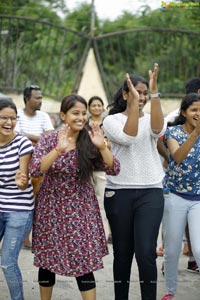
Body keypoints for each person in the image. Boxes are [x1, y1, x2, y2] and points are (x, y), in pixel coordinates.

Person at [29, 94, 120, 300]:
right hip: (51, 208)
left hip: (81, 209)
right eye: (75, 113)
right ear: (63, 115)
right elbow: (35, 170)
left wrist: (103, 147)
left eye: (83, 113)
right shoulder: (50, 140)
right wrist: (57, 150)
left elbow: (113, 169)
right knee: (47, 260)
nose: (80, 117)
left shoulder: (90, 140)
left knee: (83, 261)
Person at [103, 63, 167, 300]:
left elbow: (158, 129)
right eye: (136, 91)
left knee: (146, 253)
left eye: (144, 93)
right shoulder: (111, 121)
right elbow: (129, 137)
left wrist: (154, 90)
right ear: (125, 93)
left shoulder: (152, 118)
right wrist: (132, 106)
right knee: (122, 253)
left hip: (151, 191)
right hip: (119, 193)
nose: (141, 97)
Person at [160, 93, 200, 300]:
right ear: (184, 112)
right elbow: (178, 156)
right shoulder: (173, 132)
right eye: (194, 109)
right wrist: (196, 133)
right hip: (174, 196)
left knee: (199, 248)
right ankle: (170, 291)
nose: (198, 113)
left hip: (198, 200)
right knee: (172, 249)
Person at [0, 99, 34, 300]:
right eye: (4, 117)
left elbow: (23, 180)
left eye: (13, 118)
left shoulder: (22, 142)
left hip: (19, 210)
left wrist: (22, 179)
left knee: (7, 262)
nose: (9, 122)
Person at [15, 85, 54, 249]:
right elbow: (14, 138)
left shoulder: (44, 116)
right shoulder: (16, 114)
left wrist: (26, 137)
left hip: (39, 166)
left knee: (36, 202)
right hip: (18, 165)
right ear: (27, 99)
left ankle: (26, 239)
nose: (40, 100)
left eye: (41, 97)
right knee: (16, 203)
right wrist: (39, 140)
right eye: (37, 97)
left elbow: (50, 137)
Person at [87, 96, 112, 242]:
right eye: (94, 105)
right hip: (87, 169)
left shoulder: (107, 125)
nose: (96, 108)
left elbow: (110, 144)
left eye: (99, 105)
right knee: (89, 203)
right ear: (89, 108)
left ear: (103, 108)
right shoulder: (83, 125)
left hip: (102, 168)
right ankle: (93, 233)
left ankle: (110, 232)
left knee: (105, 203)